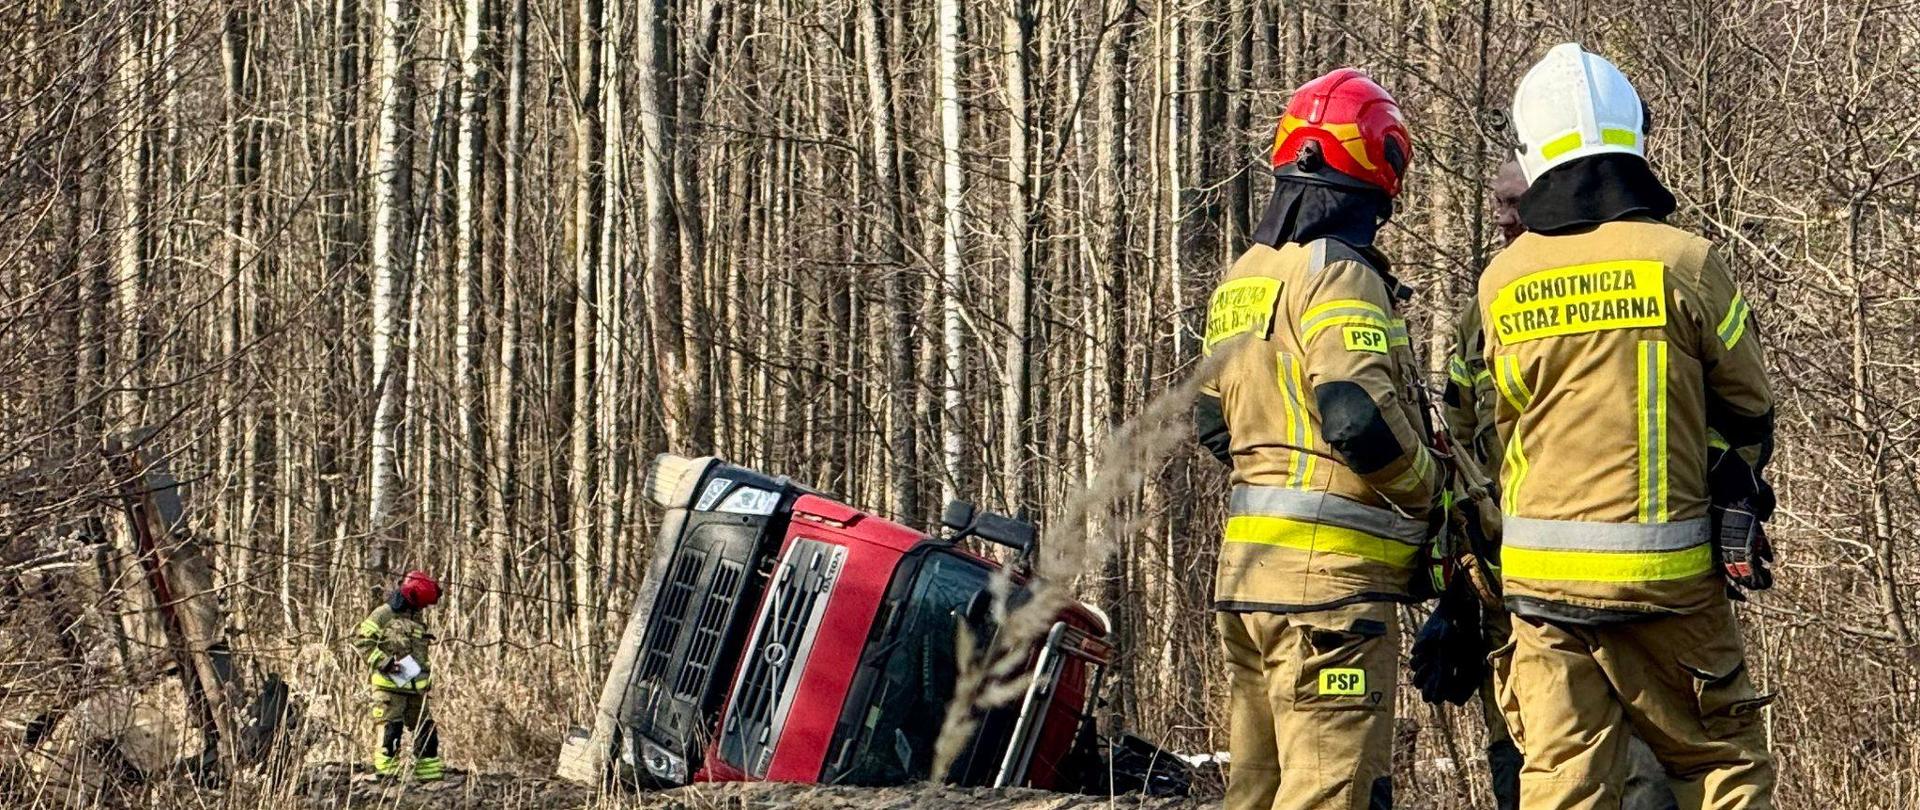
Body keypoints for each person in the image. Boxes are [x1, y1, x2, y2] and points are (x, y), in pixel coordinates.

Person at [1478, 43, 1777, 809]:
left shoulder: (1503, 281)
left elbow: (1498, 423)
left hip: (1541, 586)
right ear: (1633, 136)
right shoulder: (1685, 261)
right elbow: (1749, 405)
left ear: (1533, 150)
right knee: (1721, 765)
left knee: (1563, 784)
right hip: (1668, 585)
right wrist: (1724, 475)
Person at [1194, 67, 1437, 810]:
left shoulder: (1245, 275)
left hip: (1249, 588)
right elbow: (1356, 412)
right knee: (1328, 794)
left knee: (1257, 792)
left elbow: (1211, 421)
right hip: (1327, 603)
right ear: (1379, 168)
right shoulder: (1339, 273)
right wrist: (1430, 495)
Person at [1439, 160, 1679, 810]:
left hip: (1631, 600)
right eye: (1497, 203)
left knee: (1641, 783)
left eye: (1515, 201)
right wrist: (1456, 587)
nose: (1503, 217)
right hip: (1517, 606)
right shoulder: (1483, 310)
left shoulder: (1629, 290)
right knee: (1525, 774)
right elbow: (1456, 446)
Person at [351, 569, 445, 782]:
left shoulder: (416, 617)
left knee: (426, 730)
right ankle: (387, 777)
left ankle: (429, 777)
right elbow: (362, 641)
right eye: (422, 603)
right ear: (412, 596)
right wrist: (385, 663)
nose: (423, 608)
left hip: (416, 689)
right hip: (389, 687)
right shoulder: (383, 614)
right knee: (390, 732)